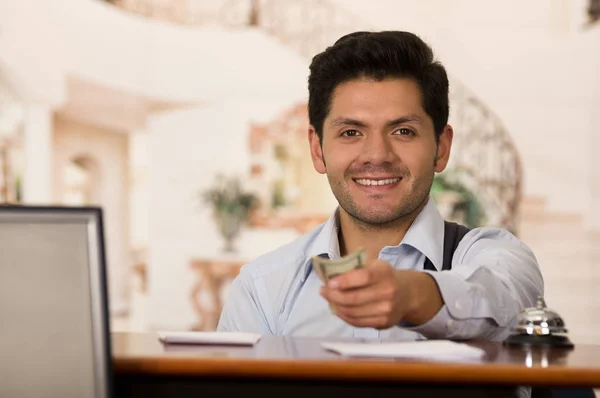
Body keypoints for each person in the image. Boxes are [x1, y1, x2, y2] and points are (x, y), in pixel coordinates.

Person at [217, 30, 543, 341]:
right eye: (351, 132)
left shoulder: (499, 257)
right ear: (317, 150)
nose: (377, 155)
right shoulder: (261, 288)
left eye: (403, 131)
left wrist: (412, 295)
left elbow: (504, 296)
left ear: (441, 148)